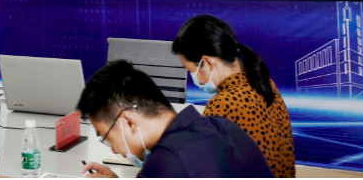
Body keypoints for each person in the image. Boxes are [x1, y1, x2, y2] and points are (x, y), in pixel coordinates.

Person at [78, 60, 274, 178]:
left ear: (128, 122)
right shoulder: (223, 125)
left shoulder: (167, 162)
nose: (114, 150)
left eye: (107, 138)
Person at [172, 15, 295, 178]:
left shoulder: (224, 104)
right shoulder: (265, 84)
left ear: (207, 63)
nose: (194, 79)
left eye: (190, 71)